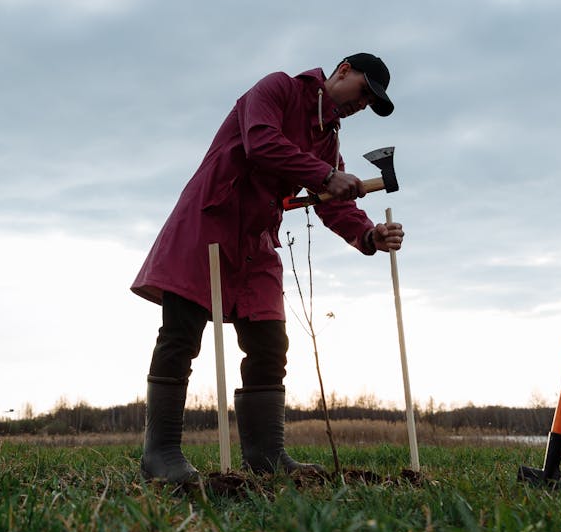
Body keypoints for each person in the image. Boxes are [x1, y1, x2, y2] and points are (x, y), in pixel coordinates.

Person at [130, 53, 405, 483]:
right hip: (209, 222)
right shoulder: (277, 88)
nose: (362, 104)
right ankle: (160, 454)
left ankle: (266, 458)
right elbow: (261, 143)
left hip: (257, 241)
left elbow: (333, 205)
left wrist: (368, 235)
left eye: (371, 103)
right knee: (180, 335)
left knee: (270, 343)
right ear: (343, 71)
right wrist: (323, 174)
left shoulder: (328, 139)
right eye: (364, 92)